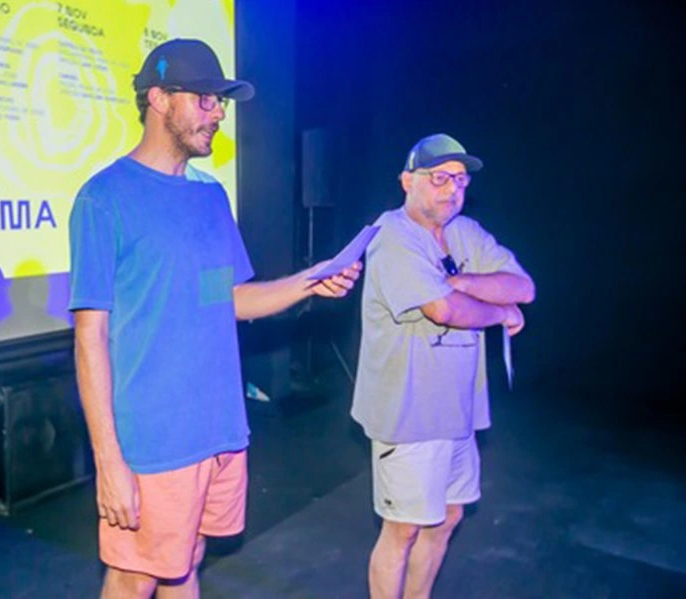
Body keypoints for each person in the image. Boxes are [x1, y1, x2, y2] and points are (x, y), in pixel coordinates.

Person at [68, 39, 360, 598]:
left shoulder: (210, 197)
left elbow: (230, 299)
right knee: (134, 576)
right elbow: (90, 337)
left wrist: (310, 281)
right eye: (205, 99)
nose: (219, 113)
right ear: (159, 98)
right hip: (155, 438)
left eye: (220, 102)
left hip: (220, 428)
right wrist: (108, 461)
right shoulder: (104, 199)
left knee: (188, 560)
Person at [351, 133, 535, 598]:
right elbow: (443, 310)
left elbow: (523, 287)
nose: (453, 189)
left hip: (459, 412)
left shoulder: (466, 232)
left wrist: (463, 281)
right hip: (409, 414)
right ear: (407, 181)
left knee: (448, 516)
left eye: (461, 180)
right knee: (403, 529)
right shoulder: (392, 236)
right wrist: (500, 312)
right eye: (440, 178)